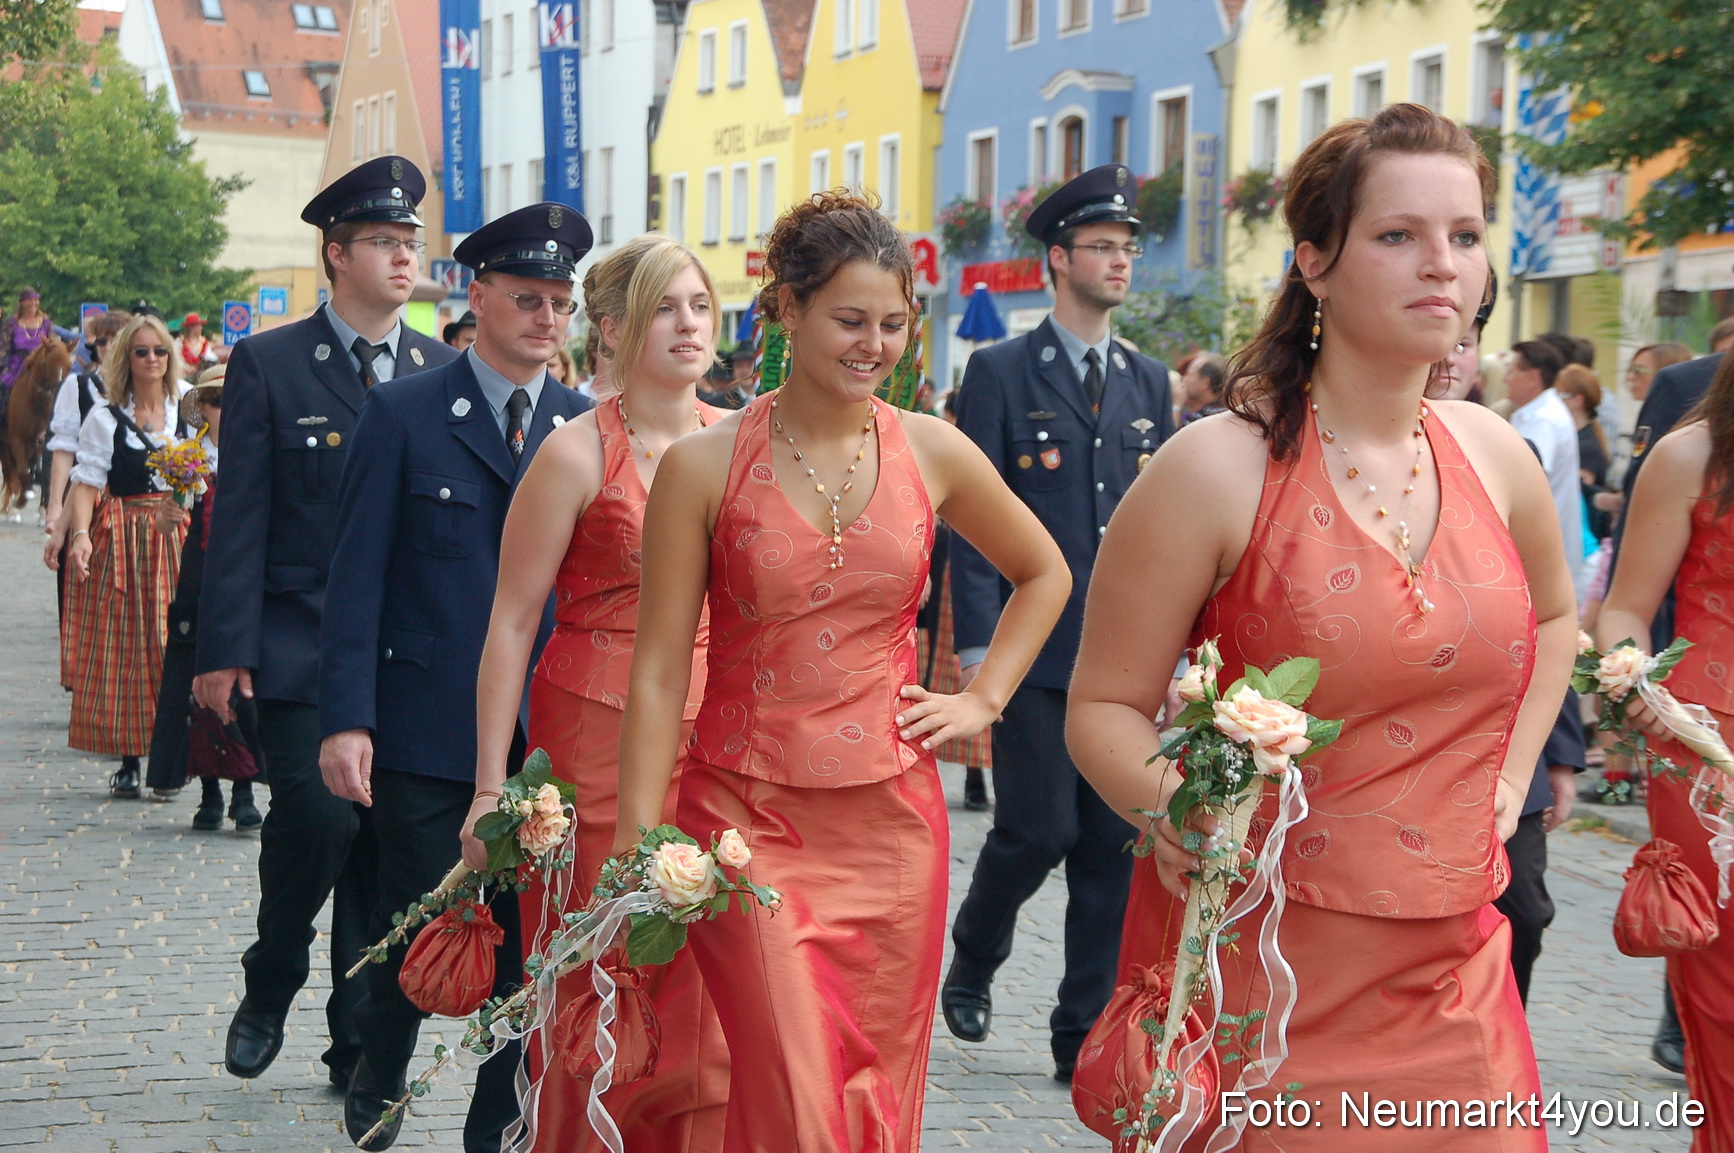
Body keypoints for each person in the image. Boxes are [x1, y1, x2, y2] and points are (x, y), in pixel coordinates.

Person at [1068, 104, 1575, 1151]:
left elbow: (1560, 619)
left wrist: (1514, 780)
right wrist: (1182, 816)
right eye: (1398, 235)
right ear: (1315, 260)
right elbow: (1104, 705)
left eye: (1466, 235)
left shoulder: (1496, 455)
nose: (1442, 263)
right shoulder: (1217, 467)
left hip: (1458, 975)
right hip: (1273, 975)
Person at [613, 191, 1070, 1152]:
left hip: (895, 826)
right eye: (850, 319)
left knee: (872, 1091)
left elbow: (1045, 571)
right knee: (793, 1088)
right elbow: (658, 671)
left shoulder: (933, 450)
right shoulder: (703, 466)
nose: (873, 344)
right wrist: (642, 832)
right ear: (785, 309)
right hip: (744, 825)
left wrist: (982, 696)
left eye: (894, 324)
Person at [318, 201, 595, 1152]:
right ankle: (380, 1061)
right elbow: (353, 578)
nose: (548, 318)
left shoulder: (585, 426)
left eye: (562, 302)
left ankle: (496, 1121)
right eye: (528, 298)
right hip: (424, 725)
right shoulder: (405, 412)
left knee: (527, 942)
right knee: (429, 910)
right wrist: (345, 717)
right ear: (476, 298)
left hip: (545, 737)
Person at [191, 156, 456, 1095]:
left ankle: (354, 1036)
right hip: (297, 642)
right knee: (319, 814)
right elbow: (244, 517)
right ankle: (272, 978)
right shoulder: (270, 362)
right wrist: (224, 650)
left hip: (402, 655)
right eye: (383, 241)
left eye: (410, 242)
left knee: (382, 847)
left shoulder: (440, 369)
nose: (402, 256)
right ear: (335, 254)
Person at [463, 234, 728, 1152]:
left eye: (699, 304)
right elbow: (508, 622)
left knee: (706, 967)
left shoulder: (742, 441)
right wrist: (492, 784)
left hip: (719, 740)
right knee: (600, 961)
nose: (689, 324)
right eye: (665, 306)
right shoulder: (573, 455)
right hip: (593, 741)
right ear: (614, 329)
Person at [941, 163, 1177, 1082]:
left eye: (1128, 248)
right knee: (1035, 830)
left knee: (1115, 852)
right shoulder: (1000, 371)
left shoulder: (1149, 382)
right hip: (1032, 653)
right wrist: (974, 647)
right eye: (1104, 247)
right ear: (1058, 259)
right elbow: (971, 519)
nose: (1120, 261)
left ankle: (1082, 1033)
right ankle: (977, 948)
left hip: (1125, 657)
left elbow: (1165, 529)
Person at [1598, 349, 1734, 1150]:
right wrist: (1639, 689)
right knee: (1721, 985)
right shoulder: (1692, 454)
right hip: (1707, 755)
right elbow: (1624, 609)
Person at [60, 314, 195, 796]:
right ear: (126, 358)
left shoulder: (189, 410)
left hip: (179, 536)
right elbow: (87, 481)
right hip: (122, 536)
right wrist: (79, 535)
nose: (152, 360)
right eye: (141, 352)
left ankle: (178, 757)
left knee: (173, 646)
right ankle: (129, 758)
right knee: (127, 646)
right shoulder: (104, 415)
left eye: (159, 350)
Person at [144, 366, 264, 825]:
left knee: (244, 683)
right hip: (197, 578)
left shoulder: (256, 450)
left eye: (231, 399)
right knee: (191, 679)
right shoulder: (185, 456)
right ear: (202, 409)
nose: (223, 408)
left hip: (243, 575)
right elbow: (162, 523)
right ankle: (209, 790)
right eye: (214, 399)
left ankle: (245, 789)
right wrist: (169, 514)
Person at [44, 310, 130, 661]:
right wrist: (53, 505)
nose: (109, 347)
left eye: (117, 340)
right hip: (86, 497)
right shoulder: (78, 387)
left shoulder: (157, 390)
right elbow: (65, 451)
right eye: (103, 341)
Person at [1507, 338, 1585, 580]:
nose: (1505, 378)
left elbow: (1523, 477)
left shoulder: (1543, 419)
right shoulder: (1539, 412)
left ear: (1533, 376)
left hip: (1539, 549)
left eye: (1511, 371)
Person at [2, 288, 53, 412]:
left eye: (36, 300)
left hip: (40, 363)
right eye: (30, 300)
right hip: (17, 363)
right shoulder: (12, 322)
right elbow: (3, 346)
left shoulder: (46, 323)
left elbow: (52, 345)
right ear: (22, 303)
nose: (33, 303)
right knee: (2, 386)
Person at [1178, 350, 1226, 425]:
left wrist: (1176, 406)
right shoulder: (1225, 412)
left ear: (1205, 383)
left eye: (1189, 375)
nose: (1184, 379)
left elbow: (1173, 436)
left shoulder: (1203, 419)